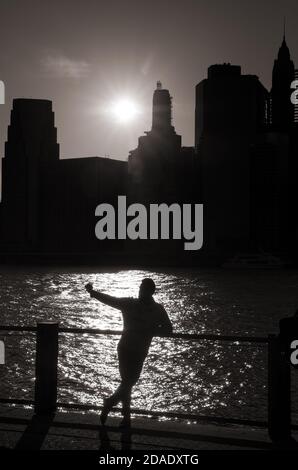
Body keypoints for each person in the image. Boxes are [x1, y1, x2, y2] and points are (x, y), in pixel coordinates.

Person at [85, 277, 173, 427]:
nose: (139, 290)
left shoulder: (132, 304)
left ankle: (122, 415)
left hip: (126, 348)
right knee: (129, 382)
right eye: (140, 288)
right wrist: (153, 330)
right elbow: (168, 330)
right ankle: (114, 407)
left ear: (149, 291)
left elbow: (110, 300)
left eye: (142, 288)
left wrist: (93, 293)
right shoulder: (157, 309)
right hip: (136, 350)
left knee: (127, 382)